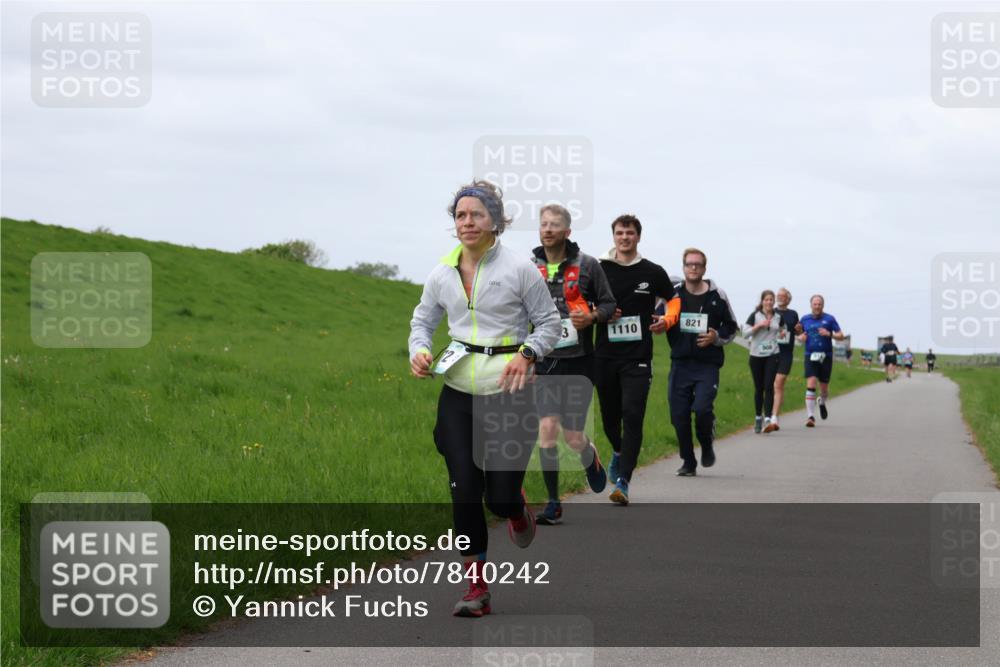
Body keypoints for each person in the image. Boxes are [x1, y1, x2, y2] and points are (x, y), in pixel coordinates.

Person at [409, 180, 561, 617]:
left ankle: (516, 510)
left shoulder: (519, 269)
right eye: (460, 215)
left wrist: (527, 354)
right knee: (464, 490)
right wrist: (419, 351)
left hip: (508, 393)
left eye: (476, 214)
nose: (467, 222)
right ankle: (476, 588)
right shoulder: (441, 273)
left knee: (498, 496)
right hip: (458, 393)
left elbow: (549, 324)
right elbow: (422, 323)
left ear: (495, 220)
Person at [530, 204, 617, 525]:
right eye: (543, 224)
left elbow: (609, 304)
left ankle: (589, 457)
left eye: (554, 225)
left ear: (567, 232)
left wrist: (591, 316)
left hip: (580, 363)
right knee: (548, 431)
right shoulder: (529, 267)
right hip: (545, 362)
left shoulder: (588, 266)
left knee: (573, 436)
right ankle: (553, 503)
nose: (547, 229)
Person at [595, 214, 678, 505]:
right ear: (613, 236)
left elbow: (674, 299)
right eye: (619, 233)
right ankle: (617, 452)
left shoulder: (653, 271)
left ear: (638, 237)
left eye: (629, 233)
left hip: (638, 358)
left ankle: (624, 482)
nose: (624, 237)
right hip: (604, 356)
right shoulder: (599, 268)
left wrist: (668, 320)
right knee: (609, 419)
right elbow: (579, 300)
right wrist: (601, 310)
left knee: (632, 415)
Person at [664, 248, 738, 475]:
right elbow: (661, 316)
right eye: (689, 264)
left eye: (698, 264)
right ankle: (688, 461)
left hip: (707, 364)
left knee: (703, 409)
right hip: (680, 363)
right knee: (679, 416)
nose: (693, 268)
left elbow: (731, 326)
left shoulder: (717, 296)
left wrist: (716, 337)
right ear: (684, 267)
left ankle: (706, 443)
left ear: (704, 268)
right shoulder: (673, 295)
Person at [797, 295, 846, 427]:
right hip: (810, 355)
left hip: (826, 356)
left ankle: (822, 401)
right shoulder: (805, 319)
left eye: (819, 304)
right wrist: (800, 337)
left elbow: (841, 336)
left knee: (824, 388)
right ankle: (810, 417)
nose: (817, 306)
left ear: (822, 305)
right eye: (815, 304)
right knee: (811, 382)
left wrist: (829, 334)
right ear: (811, 305)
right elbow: (799, 333)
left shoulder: (830, 319)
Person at [743, 290, 782, 434]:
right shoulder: (755, 316)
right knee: (759, 388)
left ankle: (768, 419)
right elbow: (745, 333)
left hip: (773, 354)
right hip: (756, 355)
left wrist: (782, 332)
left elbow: (782, 329)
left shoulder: (778, 316)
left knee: (769, 386)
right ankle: (758, 417)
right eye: (767, 299)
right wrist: (758, 326)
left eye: (772, 300)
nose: (769, 302)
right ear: (762, 301)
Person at [771, 287, 802, 432]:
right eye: (778, 295)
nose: (780, 297)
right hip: (770, 352)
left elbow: (798, 331)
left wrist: (799, 329)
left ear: (788, 299)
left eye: (783, 296)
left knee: (779, 383)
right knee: (770, 385)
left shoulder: (793, 314)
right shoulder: (771, 311)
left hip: (786, 353)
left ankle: (774, 418)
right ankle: (770, 413)